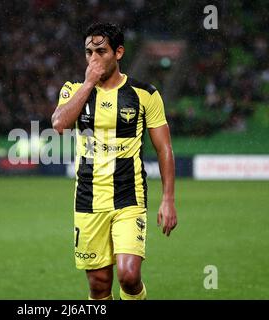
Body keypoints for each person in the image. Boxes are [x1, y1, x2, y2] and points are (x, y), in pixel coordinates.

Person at [51, 22, 177, 300]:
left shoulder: (145, 94)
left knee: (129, 276)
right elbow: (59, 124)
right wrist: (89, 83)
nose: (93, 59)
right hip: (88, 199)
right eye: (88, 53)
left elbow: (164, 148)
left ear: (118, 52)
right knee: (98, 285)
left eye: (101, 51)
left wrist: (168, 199)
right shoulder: (73, 89)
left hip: (128, 197)